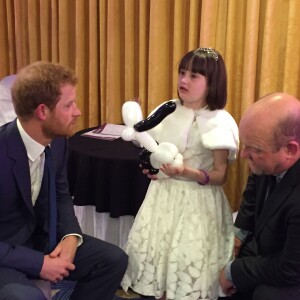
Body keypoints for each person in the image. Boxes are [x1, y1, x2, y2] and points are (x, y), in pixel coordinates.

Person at [0, 61, 128, 300]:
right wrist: (38, 263)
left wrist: (71, 237)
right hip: (5, 254)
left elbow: (60, 195)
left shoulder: (58, 141)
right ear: (42, 111)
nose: (77, 112)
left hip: (38, 239)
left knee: (113, 260)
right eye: (69, 105)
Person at [121, 48, 239, 300]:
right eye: (182, 72)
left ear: (212, 83)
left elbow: (220, 176)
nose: (184, 80)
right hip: (163, 197)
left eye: (194, 76)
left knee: (186, 260)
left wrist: (186, 171)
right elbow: (149, 146)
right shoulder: (168, 109)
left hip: (198, 202)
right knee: (159, 259)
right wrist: (153, 169)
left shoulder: (219, 120)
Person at [219, 92, 300, 300]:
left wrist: (234, 272)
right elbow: (254, 189)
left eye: (254, 149)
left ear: (290, 150)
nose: (244, 155)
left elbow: (290, 268)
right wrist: (240, 235)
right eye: (244, 144)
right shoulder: (267, 158)